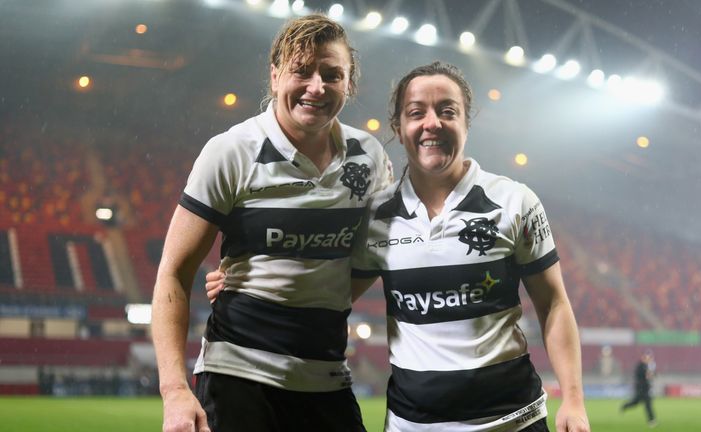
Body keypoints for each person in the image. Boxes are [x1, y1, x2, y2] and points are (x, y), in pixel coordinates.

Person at [207, 61, 590, 432]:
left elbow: (553, 303)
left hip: (512, 421)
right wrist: (249, 283)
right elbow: (327, 290)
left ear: (466, 122)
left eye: (447, 111)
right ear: (399, 126)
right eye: (416, 112)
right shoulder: (375, 216)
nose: (432, 123)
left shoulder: (515, 202)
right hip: (412, 425)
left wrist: (573, 399)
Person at [151, 14, 391, 432]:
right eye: (303, 70)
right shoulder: (231, 151)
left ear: (348, 84)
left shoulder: (369, 157)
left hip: (326, 377)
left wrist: (305, 287)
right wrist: (174, 391)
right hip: (238, 378)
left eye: (332, 75)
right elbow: (173, 273)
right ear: (276, 74)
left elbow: (373, 256)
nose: (317, 86)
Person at [620, 350, 657, 427]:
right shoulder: (640, 366)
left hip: (645, 389)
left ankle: (651, 420)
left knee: (643, 403)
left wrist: (652, 371)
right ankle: (651, 420)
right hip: (641, 389)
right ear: (643, 357)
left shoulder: (647, 366)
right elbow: (647, 375)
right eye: (647, 357)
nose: (648, 359)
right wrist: (651, 371)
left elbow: (653, 375)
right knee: (640, 403)